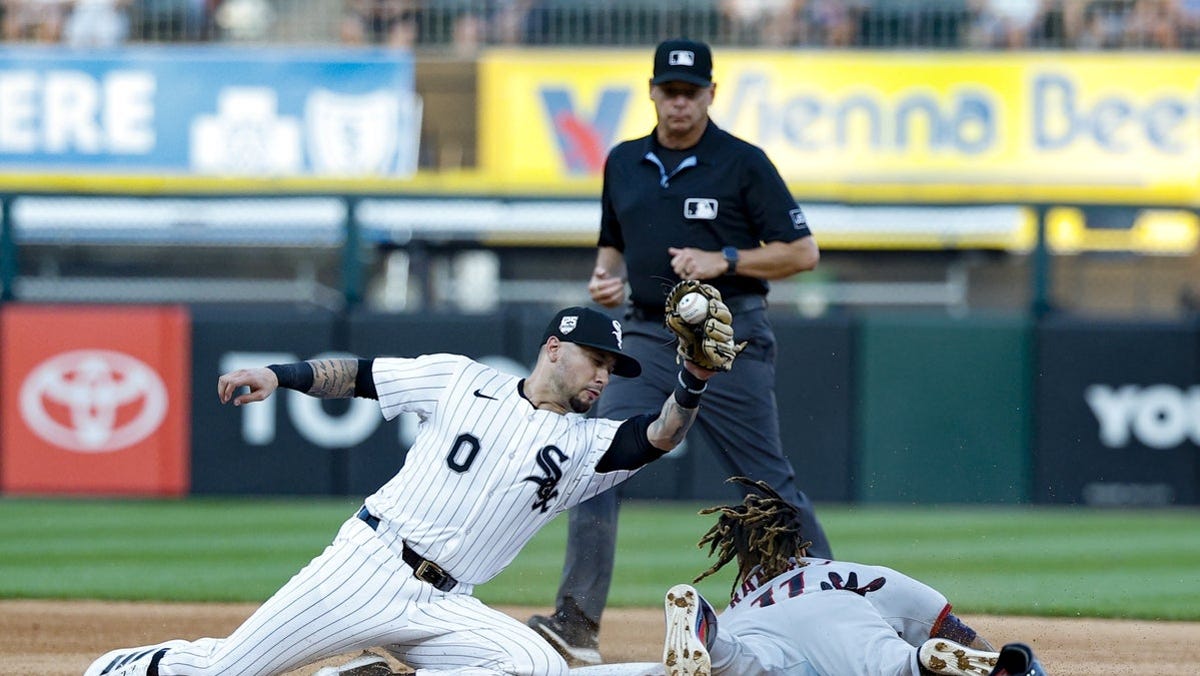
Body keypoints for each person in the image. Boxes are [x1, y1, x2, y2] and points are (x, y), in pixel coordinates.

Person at [84, 305, 734, 676]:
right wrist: (280, 375)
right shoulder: (460, 380)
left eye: (613, 367)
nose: (604, 376)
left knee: (532, 666)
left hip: (447, 603)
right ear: (554, 349)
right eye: (596, 359)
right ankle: (123, 667)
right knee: (226, 673)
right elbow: (359, 376)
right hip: (366, 569)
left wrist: (696, 378)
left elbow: (659, 434)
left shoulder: (591, 447)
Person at [527, 37, 832, 667]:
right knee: (593, 460)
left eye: (691, 92)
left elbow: (802, 253)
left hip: (730, 336)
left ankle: (835, 612)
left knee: (766, 488)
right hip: (644, 334)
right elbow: (612, 244)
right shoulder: (624, 161)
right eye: (670, 91)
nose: (680, 103)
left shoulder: (742, 162)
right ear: (653, 92)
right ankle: (576, 623)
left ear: (711, 95)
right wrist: (604, 277)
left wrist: (725, 259)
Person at [571, 477, 1050, 676]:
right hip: (836, 612)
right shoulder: (850, 575)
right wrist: (993, 657)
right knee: (891, 667)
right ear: (799, 547)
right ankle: (924, 664)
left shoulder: (745, 598)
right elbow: (950, 624)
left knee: (735, 665)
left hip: (750, 634)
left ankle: (700, 621)